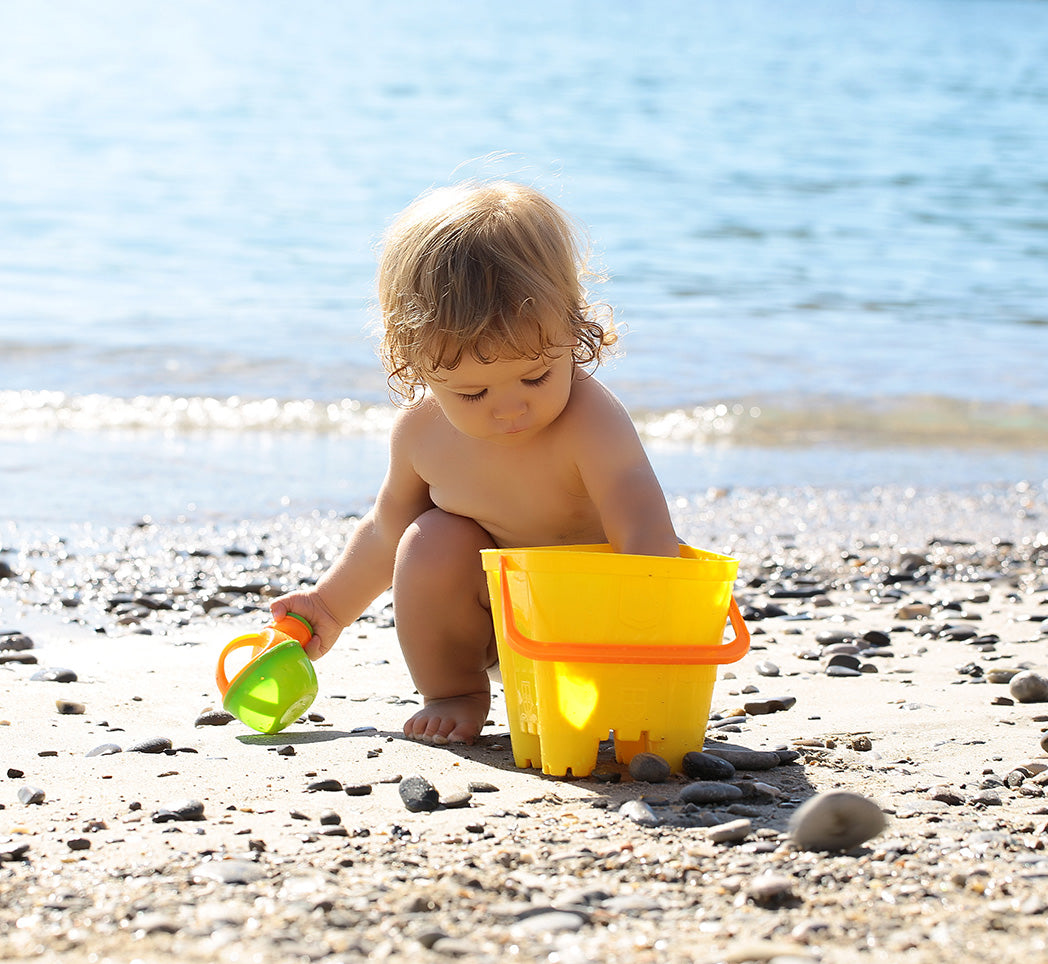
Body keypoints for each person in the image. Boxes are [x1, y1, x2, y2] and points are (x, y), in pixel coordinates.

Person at [271, 180, 679, 745]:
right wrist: (328, 607)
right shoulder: (422, 435)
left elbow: (640, 516)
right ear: (411, 362)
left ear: (574, 328)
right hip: (486, 622)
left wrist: (654, 612)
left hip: (593, 621)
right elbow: (386, 531)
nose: (509, 409)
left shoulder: (590, 421)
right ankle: (454, 690)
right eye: (471, 394)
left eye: (535, 376)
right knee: (428, 536)